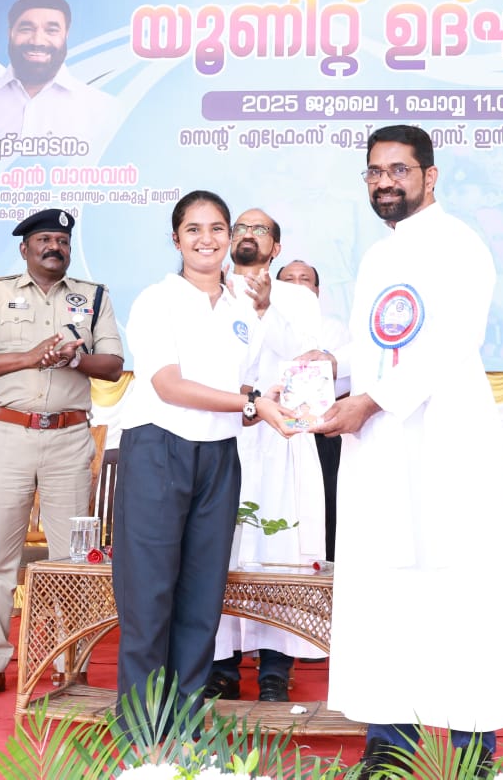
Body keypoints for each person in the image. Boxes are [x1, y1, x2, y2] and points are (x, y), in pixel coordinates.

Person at [304, 125, 503, 775]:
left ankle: (471, 750)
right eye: (374, 172)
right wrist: (332, 362)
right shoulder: (378, 257)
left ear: (430, 176)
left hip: (446, 444)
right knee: (381, 591)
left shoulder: (460, 245)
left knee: (459, 591)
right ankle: (388, 743)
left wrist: (370, 401)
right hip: (379, 450)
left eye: (398, 170)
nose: (385, 183)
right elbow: (373, 341)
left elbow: (451, 340)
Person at [112, 190, 292, 732]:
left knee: (202, 595)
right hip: (158, 448)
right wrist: (251, 402)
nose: (207, 239)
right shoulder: (157, 300)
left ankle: (186, 721)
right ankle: (141, 728)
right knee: (150, 595)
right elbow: (169, 386)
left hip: (218, 456)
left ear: (230, 237)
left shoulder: (243, 311)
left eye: (217, 228)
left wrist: (271, 402)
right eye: (194, 229)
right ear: (176, 239)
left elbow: (243, 397)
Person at [0, 208, 124, 700]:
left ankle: (69, 664)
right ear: (24, 248)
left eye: (62, 241)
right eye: (45, 240)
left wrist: (77, 358)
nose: (55, 247)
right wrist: (29, 358)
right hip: (8, 435)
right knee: (0, 560)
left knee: (70, 561)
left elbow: (113, 365)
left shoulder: (92, 297)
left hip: (68, 439)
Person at [208, 209, 326, 703]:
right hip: (225, 432)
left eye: (259, 230)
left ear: (275, 248)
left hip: (282, 440)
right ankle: (222, 667)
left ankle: (275, 668)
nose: (247, 235)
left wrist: (268, 306)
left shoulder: (296, 297)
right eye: (240, 228)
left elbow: (307, 357)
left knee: (279, 548)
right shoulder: (210, 290)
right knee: (222, 549)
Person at [0, 0, 119, 143]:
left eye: (51, 30)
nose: (37, 41)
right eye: (26, 29)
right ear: (10, 33)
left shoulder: (103, 110)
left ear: (66, 35)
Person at [277, 259, 348, 561]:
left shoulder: (334, 329)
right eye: (288, 279)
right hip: (274, 430)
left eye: (304, 279)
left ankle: (326, 573)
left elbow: (346, 380)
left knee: (326, 504)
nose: (297, 285)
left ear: (317, 290)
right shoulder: (265, 325)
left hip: (322, 431)